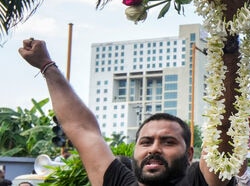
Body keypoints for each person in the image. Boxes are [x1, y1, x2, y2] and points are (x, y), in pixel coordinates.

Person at [18, 38, 236, 186]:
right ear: (134, 150)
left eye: (168, 142)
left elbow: (224, 123)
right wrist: (46, 65)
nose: (155, 149)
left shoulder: (200, 180)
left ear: (189, 155)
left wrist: (228, 39)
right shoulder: (118, 181)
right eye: (146, 142)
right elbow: (82, 129)